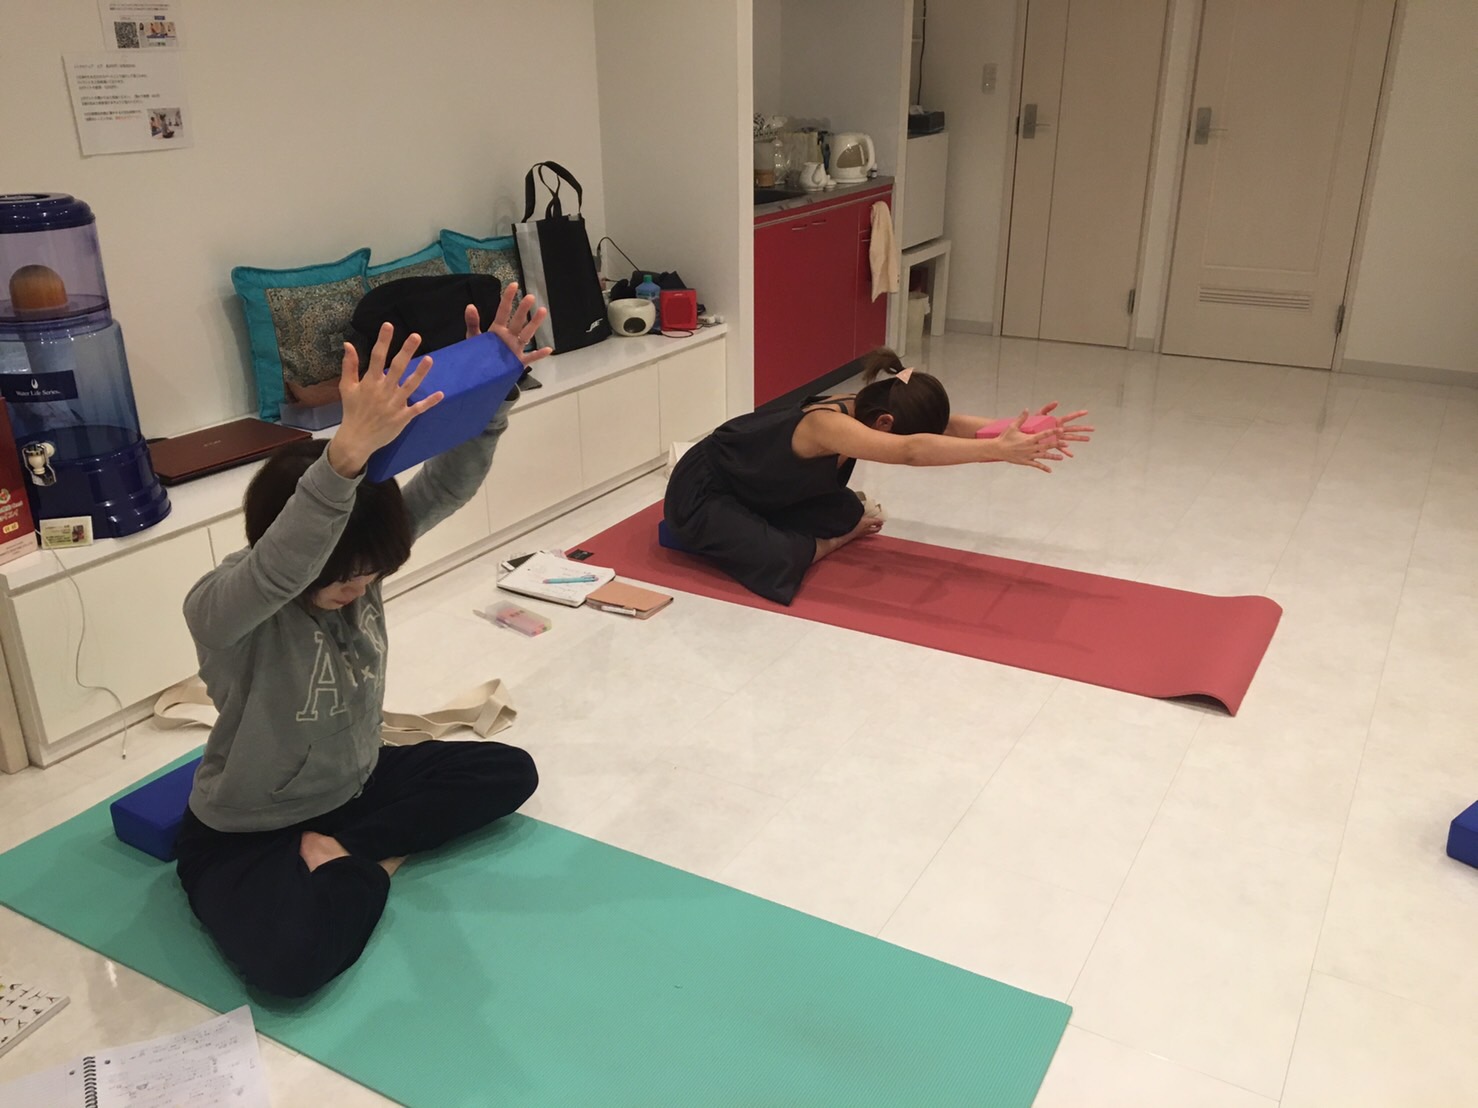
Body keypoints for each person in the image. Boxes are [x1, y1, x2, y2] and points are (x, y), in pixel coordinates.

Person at [174, 283, 550, 998]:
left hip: (357, 785)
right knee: (293, 967)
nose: (360, 587)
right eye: (345, 577)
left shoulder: (361, 562)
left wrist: (494, 389)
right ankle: (353, 864)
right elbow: (284, 563)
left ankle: (343, 849)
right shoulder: (226, 607)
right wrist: (344, 456)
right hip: (248, 827)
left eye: (372, 574)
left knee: (508, 772)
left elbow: (442, 490)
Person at [664, 348, 1093, 605]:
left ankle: (795, 528)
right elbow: (911, 450)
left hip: (761, 487)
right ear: (885, 422)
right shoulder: (828, 424)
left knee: (844, 511)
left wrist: (1023, 430)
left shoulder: (878, 403)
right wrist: (996, 452)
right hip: (706, 490)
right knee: (780, 556)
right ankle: (826, 541)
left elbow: (947, 426)